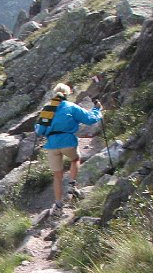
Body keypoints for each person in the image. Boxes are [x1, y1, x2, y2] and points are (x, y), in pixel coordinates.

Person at [34, 83, 103, 216]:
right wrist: (97, 110)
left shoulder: (47, 109)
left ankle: (58, 205)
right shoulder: (71, 107)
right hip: (67, 142)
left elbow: (39, 130)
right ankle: (72, 186)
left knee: (57, 176)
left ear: (55, 94)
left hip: (52, 145)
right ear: (67, 94)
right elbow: (90, 119)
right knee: (75, 158)